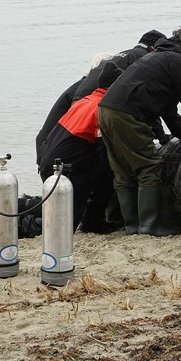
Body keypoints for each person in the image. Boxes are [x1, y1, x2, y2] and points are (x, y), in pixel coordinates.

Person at [98, 26, 181, 236]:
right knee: (149, 167)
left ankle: (132, 226)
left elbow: (168, 106)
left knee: (123, 170)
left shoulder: (158, 57)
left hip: (106, 109)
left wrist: (180, 132)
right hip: (129, 114)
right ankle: (149, 226)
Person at [38, 62, 123, 233]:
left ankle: (92, 222)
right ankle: (21, 223)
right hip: (68, 168)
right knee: (65, 221)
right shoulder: (102, 108)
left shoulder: (86, 100)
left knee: (57, 205)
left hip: (50, 160)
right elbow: (102, 149)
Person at [73, 30, 165, 101]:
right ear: (154, 47)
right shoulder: (145, 57)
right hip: (98, 101)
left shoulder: (123, 54)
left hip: (81, 97)